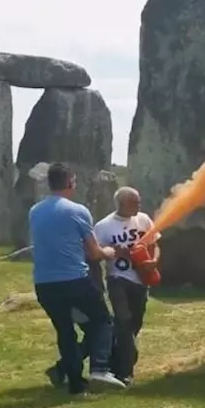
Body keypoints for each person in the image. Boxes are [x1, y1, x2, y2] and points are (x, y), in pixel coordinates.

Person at [30, 163, 126, 393]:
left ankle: (75, 383)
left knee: (65, 331)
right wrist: (110, 252)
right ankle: (100, 369)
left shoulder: (35, 211)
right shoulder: (77, 211)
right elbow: (94, 252)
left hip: (44, 282)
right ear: (70, 182)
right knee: (103, 321)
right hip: (74, 280)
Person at [94, 186, 159, 386]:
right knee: (123, 321)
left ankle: (114, 363)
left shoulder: (144, 219)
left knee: (133, 325)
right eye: (135, 202)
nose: (139, 205)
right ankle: (125, 371)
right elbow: (96, 251)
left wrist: (154, 261)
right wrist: (114, 249)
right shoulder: (104, 225)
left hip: (140, 280)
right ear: (122, 204)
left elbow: (154, 245)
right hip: (118, 278)